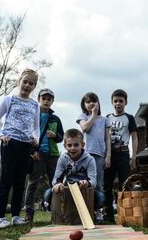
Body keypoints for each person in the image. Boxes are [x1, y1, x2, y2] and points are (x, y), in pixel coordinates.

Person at [0, 69, 40, 229]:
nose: (27, 85)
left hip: (26, 146)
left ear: (34, 86)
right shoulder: (9, 99)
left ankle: (16, 216)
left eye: (31, 83)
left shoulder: (35, 105)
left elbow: (36, 127)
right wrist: (0, 135)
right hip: (10, 143)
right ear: (19, 81)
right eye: (25, 81)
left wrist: (35, 138)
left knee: (20, 181)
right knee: (7, 179)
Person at [22, 88, 64, 223]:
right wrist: (31, 152)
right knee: (33, 183)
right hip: (37, 153)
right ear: (39, 99)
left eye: (49, 99)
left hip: (52, 154)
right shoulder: (33, 115)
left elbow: (61, 137)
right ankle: (29, 213)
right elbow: (27, 134)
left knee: (56, 183)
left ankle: (58, 213)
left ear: (52, 101)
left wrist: (55, 135)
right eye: (43, 98)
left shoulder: (55, 119)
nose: (46, 101)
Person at [43, 129, 105, 212]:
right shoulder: (62, 159)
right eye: (69, 145)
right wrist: (58, 184)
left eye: (76, 145)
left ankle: (96, 212)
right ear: (65, 146)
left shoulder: (90, 159)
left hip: (84, 190)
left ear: (82, 145)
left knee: (101, 197)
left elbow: (93, 181)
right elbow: (56, 178)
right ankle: (53, 211)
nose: (72, 148)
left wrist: (87, 183)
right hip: (67, 190)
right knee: (48, 193)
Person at [103, 89, 138, 223]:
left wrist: (133, 156)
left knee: (124, 184)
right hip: (109, 155)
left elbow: (134, 137)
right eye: (115, 101)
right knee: (107, 184)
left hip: (123, 154)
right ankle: (108, 214)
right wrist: (106, 155)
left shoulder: (129, 118)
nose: (118, 104)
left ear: (126, 102)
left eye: (121, 101)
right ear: (112, 102)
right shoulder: (107, 118)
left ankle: (126, 213)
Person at [77, 92, 111, 221]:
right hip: (85, 155)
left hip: (100, 155)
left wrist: (108, 156)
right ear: (84, 105)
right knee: (84, 182)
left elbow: (107, 138)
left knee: (98, 184)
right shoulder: (83, 117)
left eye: (94, 101)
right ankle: (84, 212)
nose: (91, 103)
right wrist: (93, 115)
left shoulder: (104, 120)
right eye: (88, 101)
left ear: (98, 103)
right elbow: (85, 128)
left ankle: (98, 211)